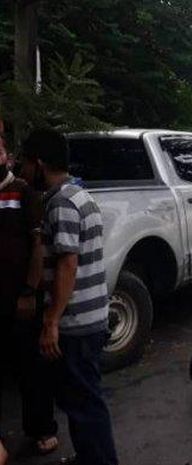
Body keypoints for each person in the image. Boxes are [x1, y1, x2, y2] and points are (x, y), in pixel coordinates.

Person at [22, 128, 119, 465]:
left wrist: (51, 322)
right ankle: (90, 457)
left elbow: (67, 263)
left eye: (25, 163)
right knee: (81, 400)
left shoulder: (61, 203)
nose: (22, 171)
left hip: (75, 322)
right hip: (91, 318)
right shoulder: (80, 195)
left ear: (39, 163)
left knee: (85, 403)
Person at [0, 133, 59, 460]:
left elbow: (37, 245)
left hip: (19, 300)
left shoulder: (22, 192)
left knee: (31, 369)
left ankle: (42, 428)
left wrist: (29, 291)